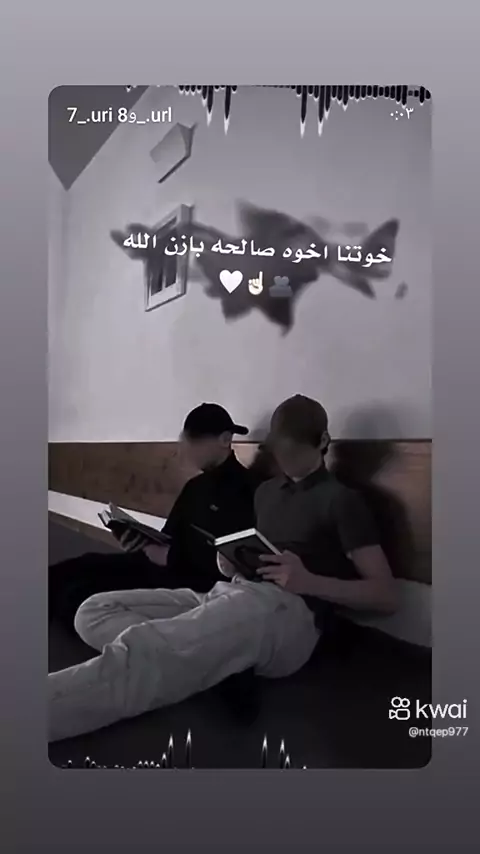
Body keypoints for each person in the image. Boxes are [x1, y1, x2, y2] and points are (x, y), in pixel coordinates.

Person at [48, 395, 397, 743]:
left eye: (294, 452)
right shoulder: (267, 493)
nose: (285, 462)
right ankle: (210, 664)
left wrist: (308, 581)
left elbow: (385, 596)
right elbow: (252, 555)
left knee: (150, 646)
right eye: (280, 452)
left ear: (322, 442)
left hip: (290, 613)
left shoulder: (342, 501)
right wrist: (229, 562)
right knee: (93, 611)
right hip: (235, 591)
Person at [49, 404, 259, 632]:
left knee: (77, 597)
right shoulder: (195, 486)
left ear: (225, 439)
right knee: (79, 565)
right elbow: (168, 536)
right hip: (161, 565)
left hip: (187, 581)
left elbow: (233, 563)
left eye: (193, 441)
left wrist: (172, 557)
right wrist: (139, 540)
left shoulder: (249, 491)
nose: (186, 450)